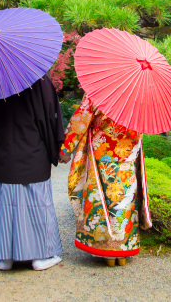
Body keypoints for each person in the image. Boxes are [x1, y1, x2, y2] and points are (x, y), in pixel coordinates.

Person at [0, 73, 65, 271]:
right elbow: (50, 115)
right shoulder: (36, 77)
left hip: (5, 150)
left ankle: (5, 258)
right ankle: (40, 256)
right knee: (36, 202)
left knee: (5, 203)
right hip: (33, 149)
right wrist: (56, 147)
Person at [58, 94, 152, 266]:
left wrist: (65, 148)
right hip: (128, 153)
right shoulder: (138, 92)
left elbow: (80, 120)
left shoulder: (98, 89)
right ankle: (123, 249)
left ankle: (106, 249)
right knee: (124, 199)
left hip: (103, 153)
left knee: (104, 198)